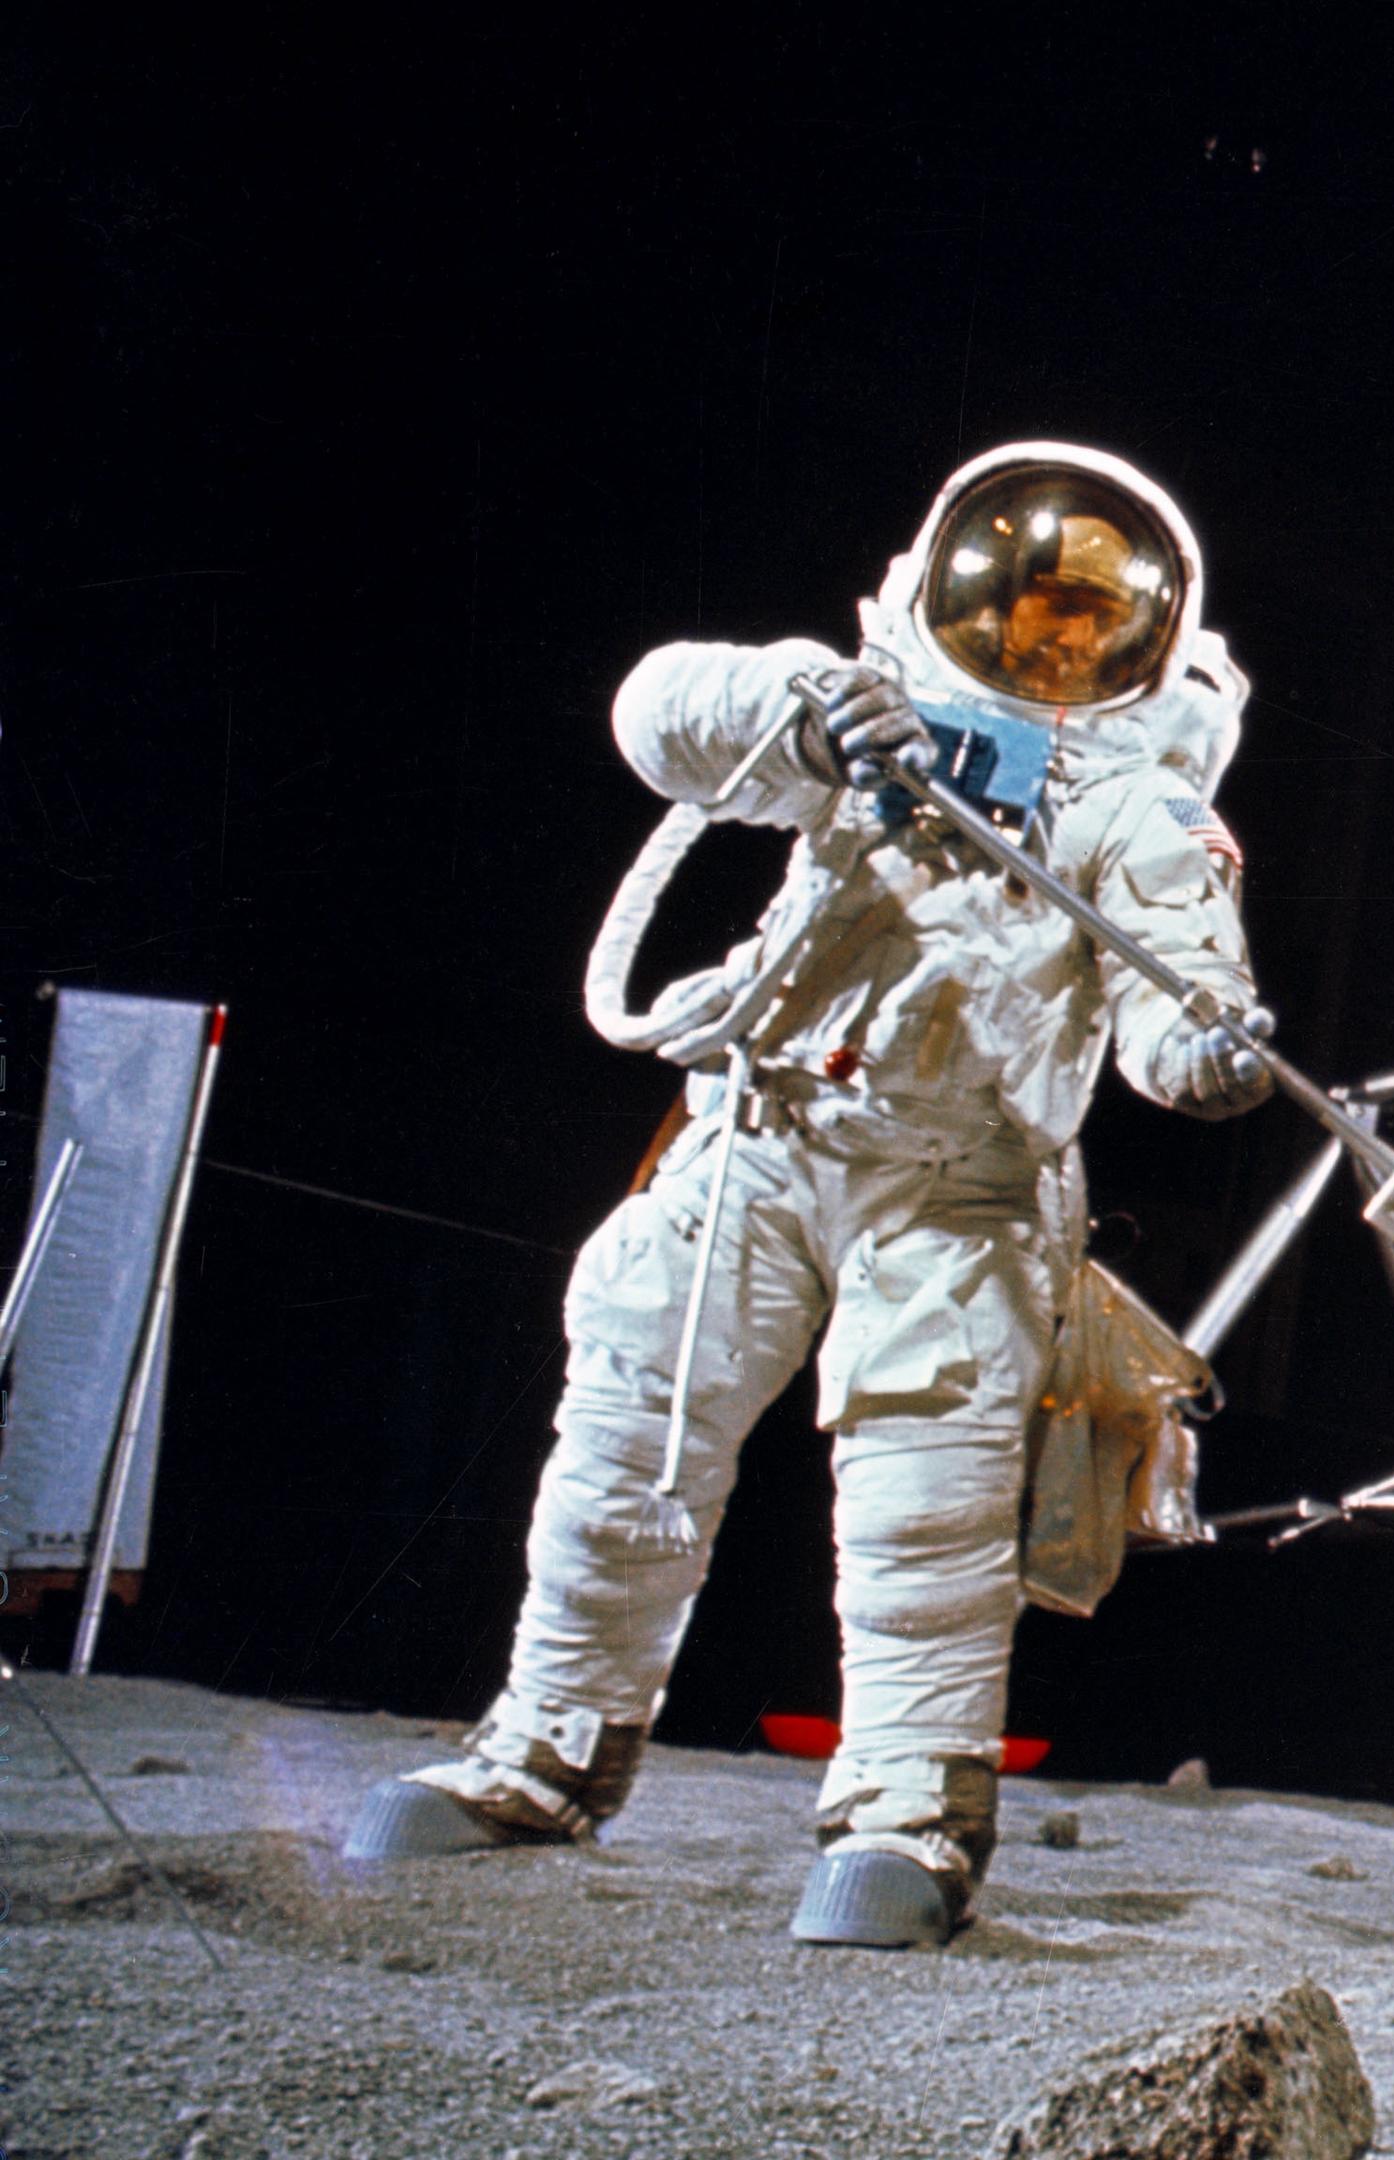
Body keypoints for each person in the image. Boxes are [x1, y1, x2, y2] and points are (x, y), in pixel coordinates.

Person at [346, 444, 1278, 1949]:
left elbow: (1180, 983)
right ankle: (548, 1750)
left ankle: (911, 1815)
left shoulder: (1136, 806)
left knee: (926, 1496)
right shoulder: (861, 712)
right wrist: (801, 708)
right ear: (963, 586)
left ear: (1144, 643)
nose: (1049, 638)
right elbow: (661, 713)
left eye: (1089, 620)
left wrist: (1207, 1054)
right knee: (632, 1434)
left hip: (959, 1185)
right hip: (766, 1134)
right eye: (1030, 601)